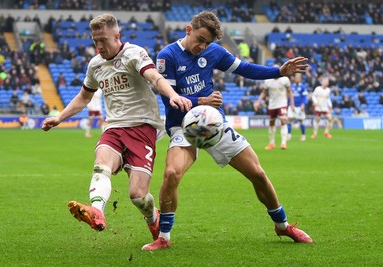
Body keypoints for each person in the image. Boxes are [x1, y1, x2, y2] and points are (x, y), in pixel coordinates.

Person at [142, 11, 312, 251]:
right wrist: (201, 100)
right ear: (188, 29)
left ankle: (282, 225)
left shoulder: (213, 52)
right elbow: (169, 97)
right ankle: (164, 237)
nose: (202, 46)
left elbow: (245, 69)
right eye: (200, 38)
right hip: (183, 126)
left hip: (214, 123)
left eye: (207, 42)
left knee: (258, 173)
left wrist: (278, 72)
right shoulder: (167, 55)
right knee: (171, 174)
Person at [41, 13, 191, 244]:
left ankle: (154, 221)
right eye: (95, 41)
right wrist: (59, 117)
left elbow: (153, 77)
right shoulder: (95, 64)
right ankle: (96, 210)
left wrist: (172, 95)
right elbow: (84, 97)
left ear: (117, 36)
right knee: (101, 164)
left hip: (142, 127)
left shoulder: (134, 53)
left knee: (138, 196)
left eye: (103, 40)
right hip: (114, 127)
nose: (99, 46)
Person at [254, 68, 294, 150]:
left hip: (282, 103)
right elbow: (264, 92)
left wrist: (292, 104)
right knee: (272, 122)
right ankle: (271, 143)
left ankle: (283, 143)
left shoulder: (285, 79)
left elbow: (290, 91)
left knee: (283, 121)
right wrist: (258, 102)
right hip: (272, 104)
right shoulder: (268, 81)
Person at [287, 73, 308, 141]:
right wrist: (290, 104)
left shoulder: (303, 87)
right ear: (294, 79)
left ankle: (303, 135)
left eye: (298, 78)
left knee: (301, 120)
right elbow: (289, 97)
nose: (297, 79)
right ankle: (289, 135)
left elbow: (305, 97)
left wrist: (303, 104)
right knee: (289, 119)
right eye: (296, 78)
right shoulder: (291, 86)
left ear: (300, 79)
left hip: (300, 106)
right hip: (292, 106)